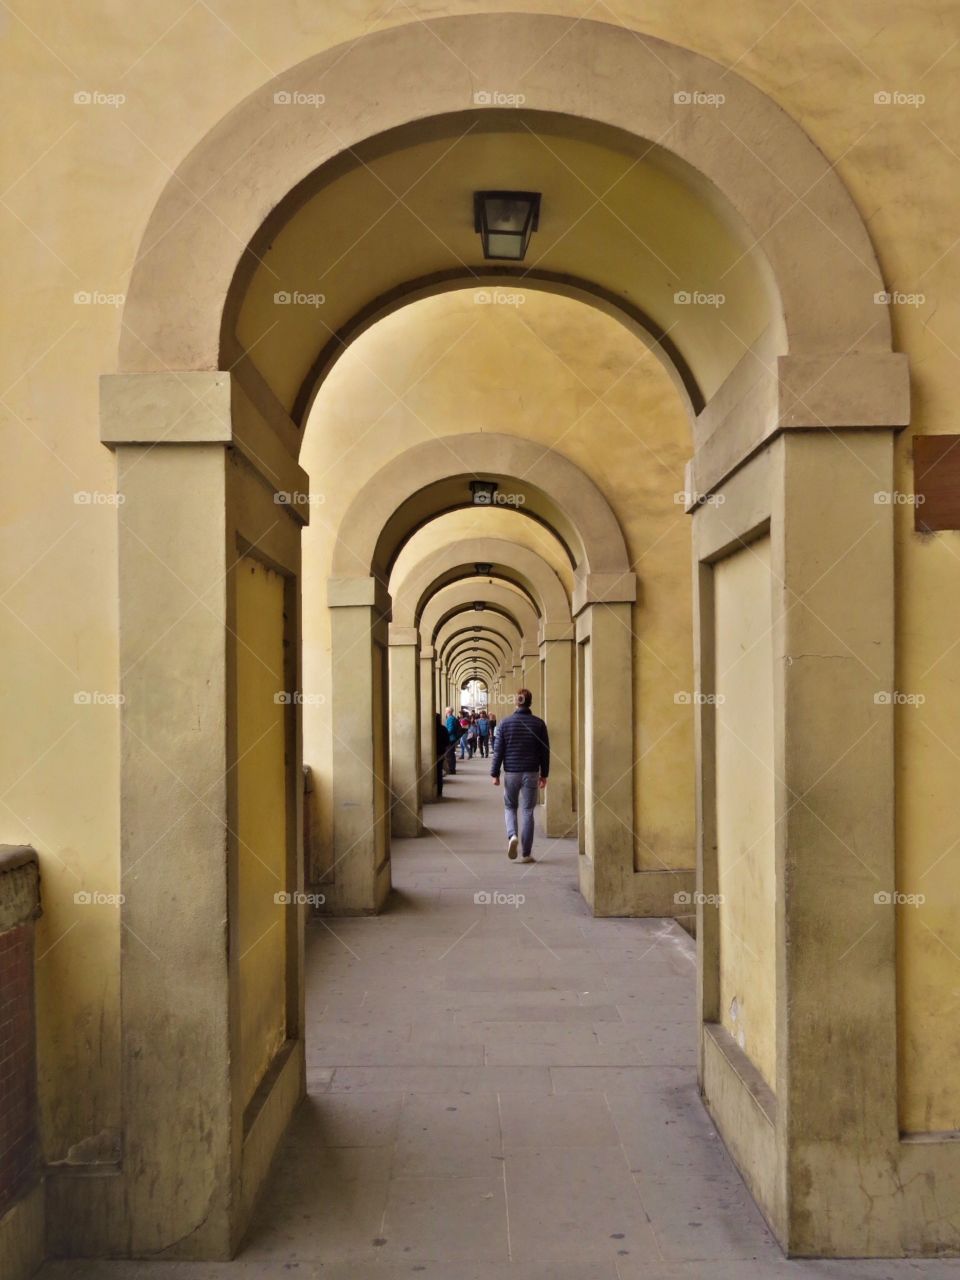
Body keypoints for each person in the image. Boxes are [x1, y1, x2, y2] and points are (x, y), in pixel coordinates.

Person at [490, 688, 549, 862]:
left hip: (511, 773)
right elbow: (545, 752)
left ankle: (512, 836)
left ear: (516, 702)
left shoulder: (505, 723)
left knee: (510, 807)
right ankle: (526, 854)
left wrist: (495, 773)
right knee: (528, 811)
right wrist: (544, 774)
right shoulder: (539, 724)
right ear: (530, 702)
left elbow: (498, 750)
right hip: (531, 772)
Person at [434, 712, 449, 797]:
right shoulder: (443, 729)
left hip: (434, 753)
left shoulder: (432, 729)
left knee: (436, 772)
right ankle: (439, 790)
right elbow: (447, 741)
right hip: (441, 752)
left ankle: (438, 790)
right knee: (439, 771)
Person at [443, 706, 459, 775]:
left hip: (450, 738)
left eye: (445, 711)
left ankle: (451, 769)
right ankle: (452, 769)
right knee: (451, 754)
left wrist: (445, 734)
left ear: (448, 712)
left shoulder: (450, 719)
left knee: (449, 754)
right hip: (453, 738)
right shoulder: (453, 718)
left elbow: (450, 729)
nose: (445, 712)